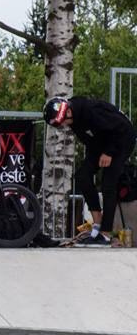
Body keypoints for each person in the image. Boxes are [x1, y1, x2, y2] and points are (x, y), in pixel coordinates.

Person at [44, 96, 137, 247]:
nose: (64, 126)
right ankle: (97, 225)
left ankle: (106, 234)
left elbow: (120, 128)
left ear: (68, 112)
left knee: (108, 183)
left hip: (121, 140)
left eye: (63, 122)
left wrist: (109, 152)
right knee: (83, 176)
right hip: (101, 144)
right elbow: (90, 140)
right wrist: (91, 161)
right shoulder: (73, 118)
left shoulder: (91, 111)